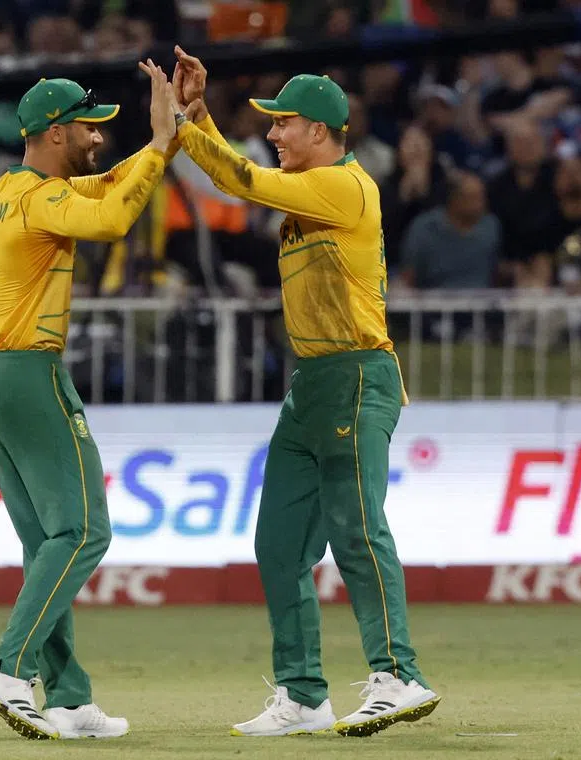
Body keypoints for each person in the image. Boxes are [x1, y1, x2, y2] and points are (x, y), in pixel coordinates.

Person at [152, 49, 441, 738]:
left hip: (356, 374)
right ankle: (304, 695)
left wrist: (184, 129)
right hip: (312, 382)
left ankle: (398, 675)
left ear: (321, 129)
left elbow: (244, 182)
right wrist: (194, 113)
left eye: (284, 123)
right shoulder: (306, 185)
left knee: (356, 527)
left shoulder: (344, 186)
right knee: (279, 547)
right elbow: (242, 182)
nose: (275, 134)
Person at [0, 66, 178, 740]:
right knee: (85, 531)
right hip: (29, 374)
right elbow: (112, 218)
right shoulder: (41, 199)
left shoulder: (10, 189)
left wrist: (164, 139)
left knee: (46, 543)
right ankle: (7, 665)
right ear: (56, 132)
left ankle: (72, 698)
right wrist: (162, 144)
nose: (99, 138)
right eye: (90, 127)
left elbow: (106, 187)